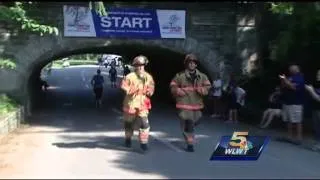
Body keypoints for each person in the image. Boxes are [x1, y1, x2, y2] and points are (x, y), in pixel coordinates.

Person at [169, 53, 211, 152]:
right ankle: (190, 144)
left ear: (196, 65)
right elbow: (173, 85)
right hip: (184, 104)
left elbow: (208, 86)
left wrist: (202, 90)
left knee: (197, 120)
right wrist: (177, 91)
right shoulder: (180, 76)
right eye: (190, 63)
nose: (191, 65)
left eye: (193, 63)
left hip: (196, 105)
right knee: (189, 124)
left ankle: (189, 135)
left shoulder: (202, 76)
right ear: (187, 64)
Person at [120, 55, 155, 152]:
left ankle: (143, 143)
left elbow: (151, 87)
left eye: (142, 65)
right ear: (135, 66)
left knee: (144, 124)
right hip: (130, 104)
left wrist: (150, 92)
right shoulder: (129, 77)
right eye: (138, 65)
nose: (140, 67)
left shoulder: (148, 77)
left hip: (143, 104)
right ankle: (128, 138)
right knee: (129, 124)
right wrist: (132, 90)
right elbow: (124, 86)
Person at [280, 64, 305, 144]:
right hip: (287, 102)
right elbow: (283, 86)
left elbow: (293, 87)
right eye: (290, 68)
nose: (290, 70)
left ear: (297, 69)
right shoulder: (290, 77)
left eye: (292, 68)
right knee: (289, 120)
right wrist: (283, 80)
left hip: (296, 103)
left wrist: (286, 81)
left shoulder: (300, 77)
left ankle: (299, 138)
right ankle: (289, 136)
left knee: (297, 121)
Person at [305, 69, 320, 150]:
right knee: (317, 128)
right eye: (317, 74)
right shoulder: (317, 84)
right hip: (315, 109)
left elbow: (318, 98)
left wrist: (311, 91)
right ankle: (317, 144)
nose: (318, 76)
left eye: (319, 74)